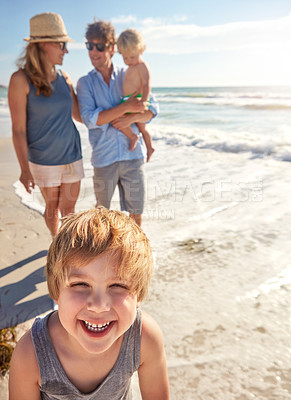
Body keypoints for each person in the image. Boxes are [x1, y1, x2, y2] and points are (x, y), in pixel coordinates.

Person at [9, 207, 170, 400]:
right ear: (56, 291)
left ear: (138, 295)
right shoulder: (31, 354)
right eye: (81, 284)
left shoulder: (143, 338)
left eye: (117, 285)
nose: (99, 305)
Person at [8, 12, 84, 237]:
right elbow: (19, 130)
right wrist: (24, 169)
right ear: (42, 45)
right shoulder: (20, 80)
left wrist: (122, 113)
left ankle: (66, 251)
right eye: (61, 44)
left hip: (73, 154)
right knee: (53, 209)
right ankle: (55, 242)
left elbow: (80, 116)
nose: (66, 50)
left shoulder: (65, 78)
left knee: (69, 209)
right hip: (43, 159)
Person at [77, 20, 159, 227]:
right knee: (101, 214)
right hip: (104, 158)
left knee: (136, 212)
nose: (93, 52)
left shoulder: (130, 71)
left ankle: (133, 258)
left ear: (113, 48)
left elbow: (152, 110)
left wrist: (130, 118)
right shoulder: (85, 83)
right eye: (89, 46)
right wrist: (125, 108)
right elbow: (90, 119)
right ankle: (102, 256)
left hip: (133, 156)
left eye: (100, 46)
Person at [117, 28, 155, 162]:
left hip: (137, 100)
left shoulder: (142, 66)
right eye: (125, 57)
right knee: (141, 127)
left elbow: (146, 84)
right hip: (127, 101)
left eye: (132, 57)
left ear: (141, 50)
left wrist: (144, 101)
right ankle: (147, 146)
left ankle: (139, 140)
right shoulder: (130, 67)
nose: (128, 60)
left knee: (120, 120)